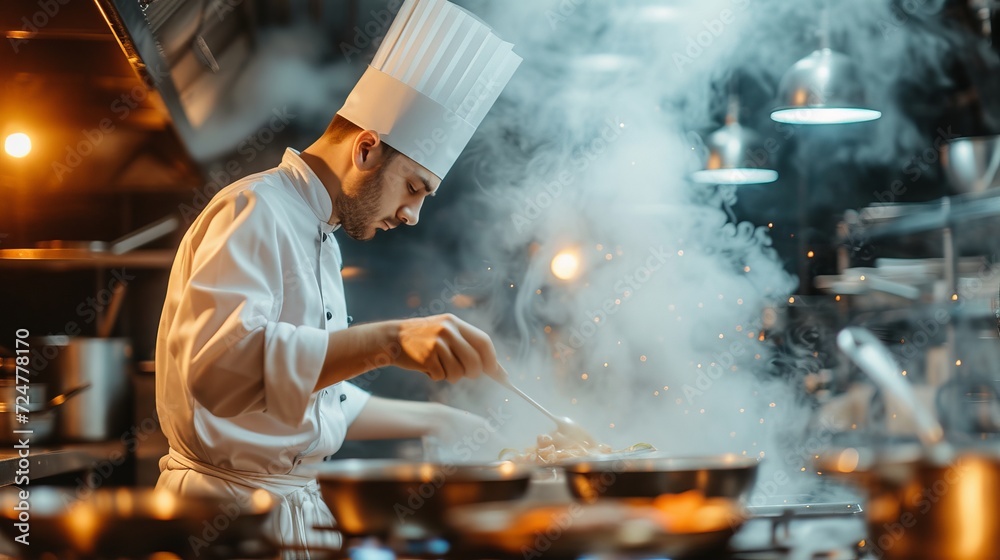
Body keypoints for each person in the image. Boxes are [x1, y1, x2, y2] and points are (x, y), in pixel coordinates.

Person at [153, 0, 521, 556]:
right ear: (367, 148)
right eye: (415, 188)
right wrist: (390, 341)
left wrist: (443, 421)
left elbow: (303, 394)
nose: (411, 215)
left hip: (288, 510)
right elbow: (221, 369)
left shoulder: (319, 228)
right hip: (226, 521)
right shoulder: (255, 209)